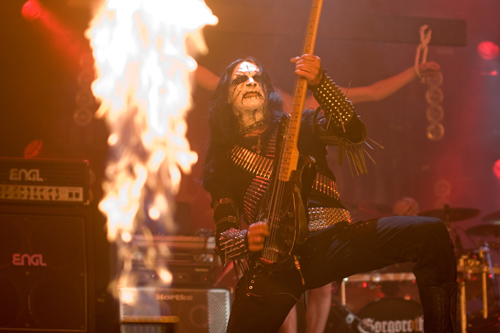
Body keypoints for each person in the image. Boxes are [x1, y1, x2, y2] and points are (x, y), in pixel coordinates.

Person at [201, 53, 457, 333]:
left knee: (431, 233)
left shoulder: (300, 125)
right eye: (241, 79)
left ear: (267, 90)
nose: (251, 82)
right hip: (274, 264)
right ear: (226, 96)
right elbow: (224, 236)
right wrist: (245, 238)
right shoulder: (223, 161)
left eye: (257, 77)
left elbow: (354, 133)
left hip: (334, 242)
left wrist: (321, 84)